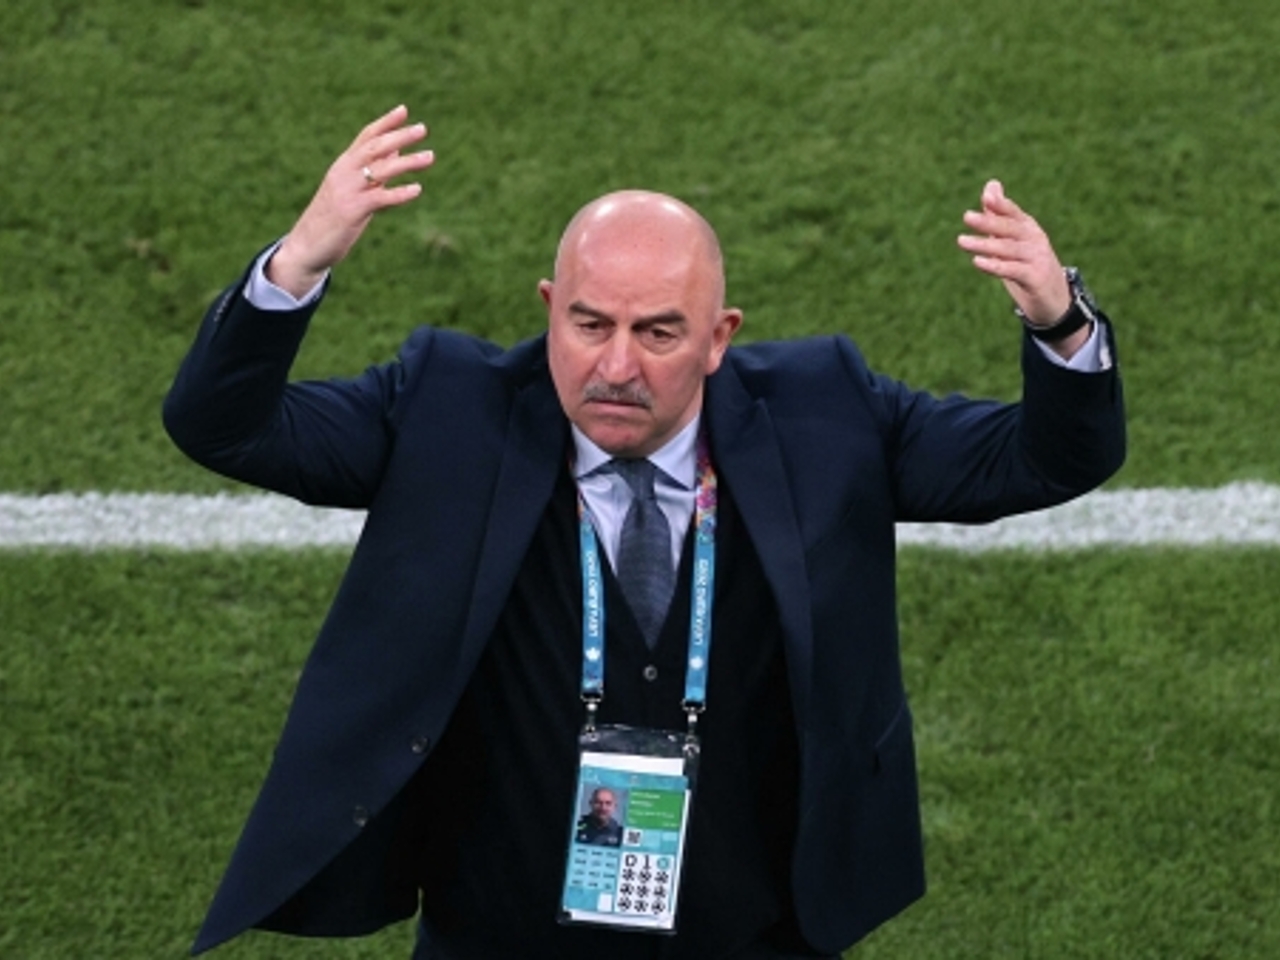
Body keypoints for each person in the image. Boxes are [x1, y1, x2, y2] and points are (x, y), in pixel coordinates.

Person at [163, 105, 1125, 959]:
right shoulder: (446, 408)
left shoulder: (827, 413)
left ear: (719, 337)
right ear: (551, 311)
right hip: (497, 931)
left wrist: (1060, 323)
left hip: (756, 931)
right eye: (589, 325)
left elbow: (1044, 460)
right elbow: (222, 426)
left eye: (659, 334)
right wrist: (299, 263)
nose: (616, 367)